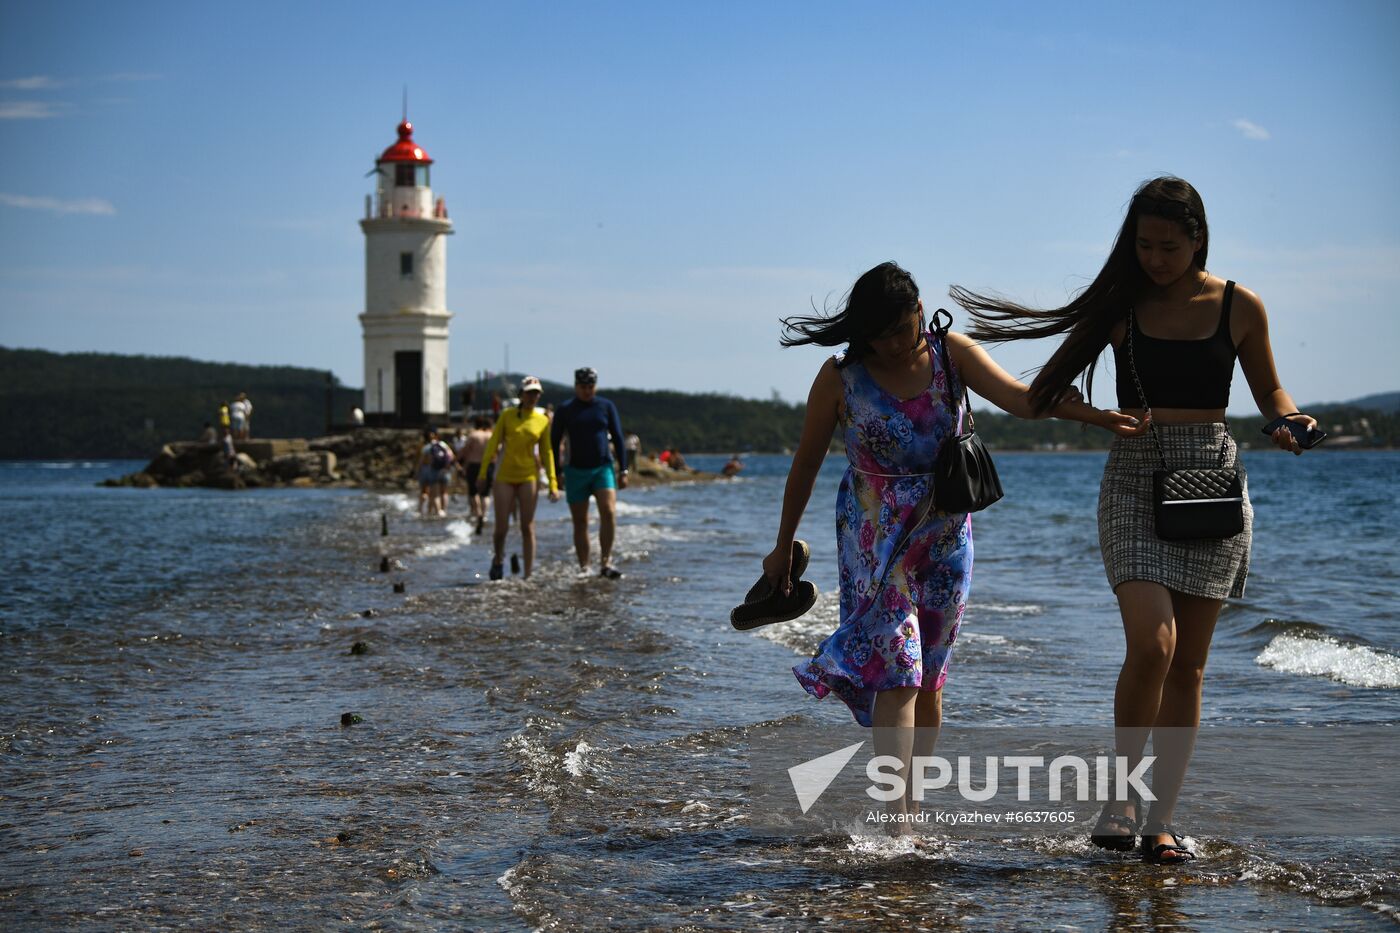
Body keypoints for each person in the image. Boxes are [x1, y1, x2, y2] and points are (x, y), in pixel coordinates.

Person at [951, 176, 1318, 864]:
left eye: (1168, 246)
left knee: (1191, 668)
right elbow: (1042, 396)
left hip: (1211, 479)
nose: (1154, 258)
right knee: (1154, 643)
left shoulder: (1241, 305)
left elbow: (1269, 388)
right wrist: (1101, 418)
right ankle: (1119, 797)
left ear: (1198, 238)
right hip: (1133, 479)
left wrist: (1289, 419)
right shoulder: (1121, 308)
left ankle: (1162, 821)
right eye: (1144, 245)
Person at [762, 261, 1140, 832]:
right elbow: (806, 462)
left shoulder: (950, 355)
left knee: (931, 677)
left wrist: (1095, 415)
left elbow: (1023, 399)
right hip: (874, 540)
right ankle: (900, 824)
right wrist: (782, 542)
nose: (889, 345)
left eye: (899, 329)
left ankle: (912, 806)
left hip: (946, 536)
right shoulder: (840, 378)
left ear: (920, 312)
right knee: (898, 670)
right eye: (877, 334)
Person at [477, 377, 559, 580]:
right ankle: (498, 559)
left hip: (529, 476)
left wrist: (553, 483)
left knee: (527, 526)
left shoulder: (542, 420)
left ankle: (528, 575)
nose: (533, 396)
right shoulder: (507, 415)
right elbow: (493, 444)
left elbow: (547, 452)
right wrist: (482, 473)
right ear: (522, 394)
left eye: (536, 393)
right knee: (501, 527)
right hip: (504, 476)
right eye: (530, 392)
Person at [551, 367, 629, 579]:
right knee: (581, 521)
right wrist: (556, 473)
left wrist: (623, 469)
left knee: (609, 511)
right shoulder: (565, 409)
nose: (587, 391)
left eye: (591, 387)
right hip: (575, 470)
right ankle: (585, 566)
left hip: (602, 467)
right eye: (583, 387)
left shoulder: (606, 406)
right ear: (576, 386)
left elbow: (619, 437)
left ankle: (606, 562)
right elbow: (554, 441)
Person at [457, 418, 494, 534]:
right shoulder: (491, 435)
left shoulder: (473, 435)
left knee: (473, 491)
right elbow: (497, 451)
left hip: (474, 465)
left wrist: (458, 461)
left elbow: (465, 451)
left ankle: (477, 513)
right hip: (489, 465)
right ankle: (484, 514)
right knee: (486, 493)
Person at [417, 429, 453, 518]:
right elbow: (451, 456)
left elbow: (421, 461)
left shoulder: (427, 447)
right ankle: (444, 511)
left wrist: (417, 471)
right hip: (445, 471)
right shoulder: (443, 444)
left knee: (433, 493)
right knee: (444, 492)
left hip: (433, 471)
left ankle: (436, 512)